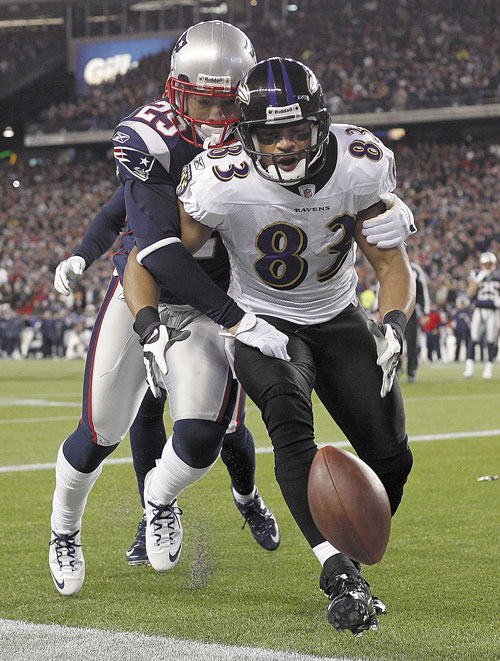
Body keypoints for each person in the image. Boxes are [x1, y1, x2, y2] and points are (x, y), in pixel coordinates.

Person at [125, 58, 416, 637]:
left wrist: (394, 324)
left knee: (391, 457)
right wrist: (147, 322)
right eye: (270, 134)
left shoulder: (360, 164)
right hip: (263, 322)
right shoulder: (219, 178)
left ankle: (347, 554)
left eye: (298, 131)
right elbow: (149, 256)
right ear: (245, 133)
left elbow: (391, 263)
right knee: (289, 424)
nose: (286, 145)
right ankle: (336, 572)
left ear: (320, 124)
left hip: (336, 315)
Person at [49, 21, 283, 599]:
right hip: (147, 291)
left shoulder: (266, 138)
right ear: (176, 88)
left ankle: (159, 501)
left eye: (223, 100)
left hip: (215, 302)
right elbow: (149, 244)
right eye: (198, 97)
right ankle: (64, 530)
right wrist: (83, 257)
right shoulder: (148, 136)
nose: (209, 111)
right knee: (100, 431)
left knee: (206, 435)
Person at [464, 251, 500, 379]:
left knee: (491, 340)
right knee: (473, 338)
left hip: (493, 311)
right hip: (479, 309)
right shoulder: (476, 274)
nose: (487, 267)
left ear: (494, 264)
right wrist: (479, 279)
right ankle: (469, 367)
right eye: (485, 264)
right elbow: (470, 293)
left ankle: (489, 367)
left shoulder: (498, 276)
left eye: (489, 264)